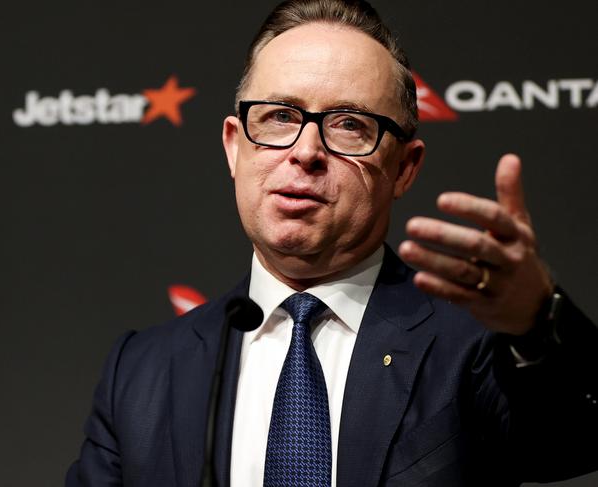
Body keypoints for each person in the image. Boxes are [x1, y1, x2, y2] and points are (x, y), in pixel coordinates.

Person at [66, 1, 598, 486]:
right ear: (234, 147)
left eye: (348, 124)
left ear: (405, 168)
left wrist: (537, 320)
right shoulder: (143, 370)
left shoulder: (476, 342)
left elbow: (574, 441)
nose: (306, 151)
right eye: (280, 116)